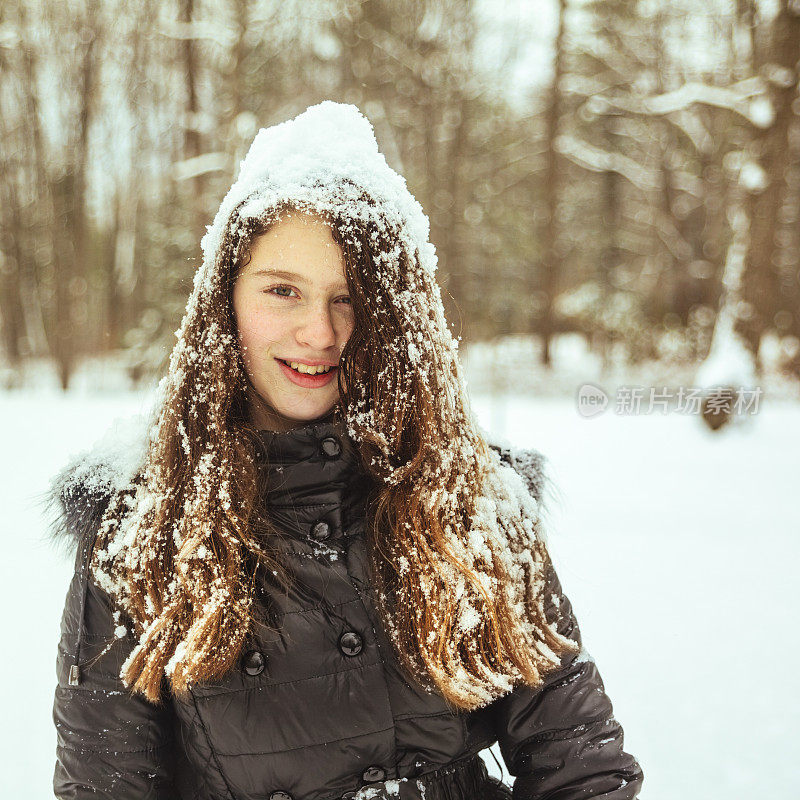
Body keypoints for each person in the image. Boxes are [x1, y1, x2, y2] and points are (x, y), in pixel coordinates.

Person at [49, 101, 644, 800]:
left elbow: (580, 764)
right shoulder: (144, 530)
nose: (319, 333)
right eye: (282, 291)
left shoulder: (467, 497)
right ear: (225, 303)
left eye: (350, 298)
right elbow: (104, 787)